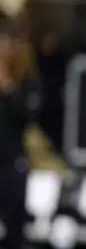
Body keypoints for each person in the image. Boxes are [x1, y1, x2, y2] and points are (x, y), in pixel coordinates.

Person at [0, 19, 41, 249]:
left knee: (15, 229)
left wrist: (7, 85)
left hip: (13, 164)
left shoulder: (27, 82)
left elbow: (27, 115)